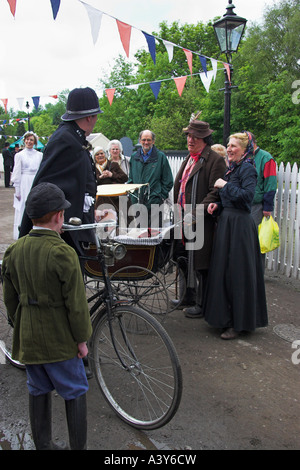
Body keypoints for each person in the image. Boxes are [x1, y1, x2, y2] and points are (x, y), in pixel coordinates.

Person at [2, 182, 93, 449]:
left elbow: (9, 298)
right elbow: (76, 305)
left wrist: (19, 323)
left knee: (38, 388)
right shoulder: (63, 253)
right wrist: (82, 340)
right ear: (58, 216)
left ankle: (43, 445)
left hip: (29, 337)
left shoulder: (14, 251)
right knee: (74, 390)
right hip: (60, 339)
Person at [18, 87, 103, 256]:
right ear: (89, 117)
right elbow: (49, 186)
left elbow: (74, 182)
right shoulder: (65, 139)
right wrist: (58, 219)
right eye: (95, 117)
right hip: (60, 229)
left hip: (72, 221)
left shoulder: (74, 137)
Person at [203, 132, 268, 340]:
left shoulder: (248, 169)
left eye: (234, 146)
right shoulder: (233, 169)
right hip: (227, 224)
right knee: (224, 271)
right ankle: (226, 319)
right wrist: (219, 204)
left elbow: (247, 198)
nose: (229, 149)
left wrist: (225, 186)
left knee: (237, 273)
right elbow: (233, 199)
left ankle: (238, 324)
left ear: (244, 149)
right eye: (228, 146)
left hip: (239, 227)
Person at [173, 120, 226, 318]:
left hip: (200, 221)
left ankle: (202, 305)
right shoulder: (191, 158)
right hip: (183, 218)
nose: (190, 139)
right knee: (182, 258)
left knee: (201, 265)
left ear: (205, 138)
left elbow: (215, 191)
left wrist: (195, 214)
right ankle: (187, 297)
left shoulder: (214, 160)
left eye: (195, 136)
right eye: (188, 136)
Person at [128, 130, 173, 225]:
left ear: (153, 141)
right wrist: (133, 197)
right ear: (140, 141)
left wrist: (159, 196)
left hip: (155, 203)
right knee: (141, 234)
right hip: (138, 203)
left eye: (149, 140)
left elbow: (168, 181)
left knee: (155, 234)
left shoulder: (160, 157)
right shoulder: (134, 157)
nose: (146, 142)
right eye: (144, 140)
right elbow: (131, 179)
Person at [250, 133, 277, 270]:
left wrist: (267, 206)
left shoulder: (266, 158)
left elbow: (270, 183)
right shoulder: (246, 157)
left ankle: (258, 271)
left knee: (256, 240)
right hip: (246, 204)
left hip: (257, 205)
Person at [11, 132, 43, 239]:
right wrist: (18, 189)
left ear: (35, 142)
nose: (29, 142)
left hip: (35, 182)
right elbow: (17, 172)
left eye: (31, 140)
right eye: (27, 140)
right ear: (24, 141)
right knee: (23, 206)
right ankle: (22, 231)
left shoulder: (39, 155)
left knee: (36, 205)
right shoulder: (19, 155)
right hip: (24, 182)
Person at [93, 145, 127, 216]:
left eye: (101, 153)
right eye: (97, 154)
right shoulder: (92, 168)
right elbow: (90, 181)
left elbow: (124, 178)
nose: (100, 156)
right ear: (94, 157)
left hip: (114, 199)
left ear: (105, 154)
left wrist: (112, 175)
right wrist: (100, 177)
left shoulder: (114, 165)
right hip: (99, 199)